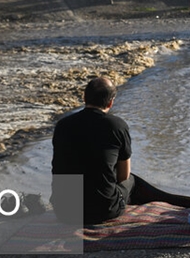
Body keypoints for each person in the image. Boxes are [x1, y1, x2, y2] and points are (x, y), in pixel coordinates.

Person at [50, 77, 135, 225]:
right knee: (132, 180)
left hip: (63, 211)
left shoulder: (62, 125)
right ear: (110, 102)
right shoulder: (117, 126)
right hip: (102, 212)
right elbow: (123, 175)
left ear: (84, 97)